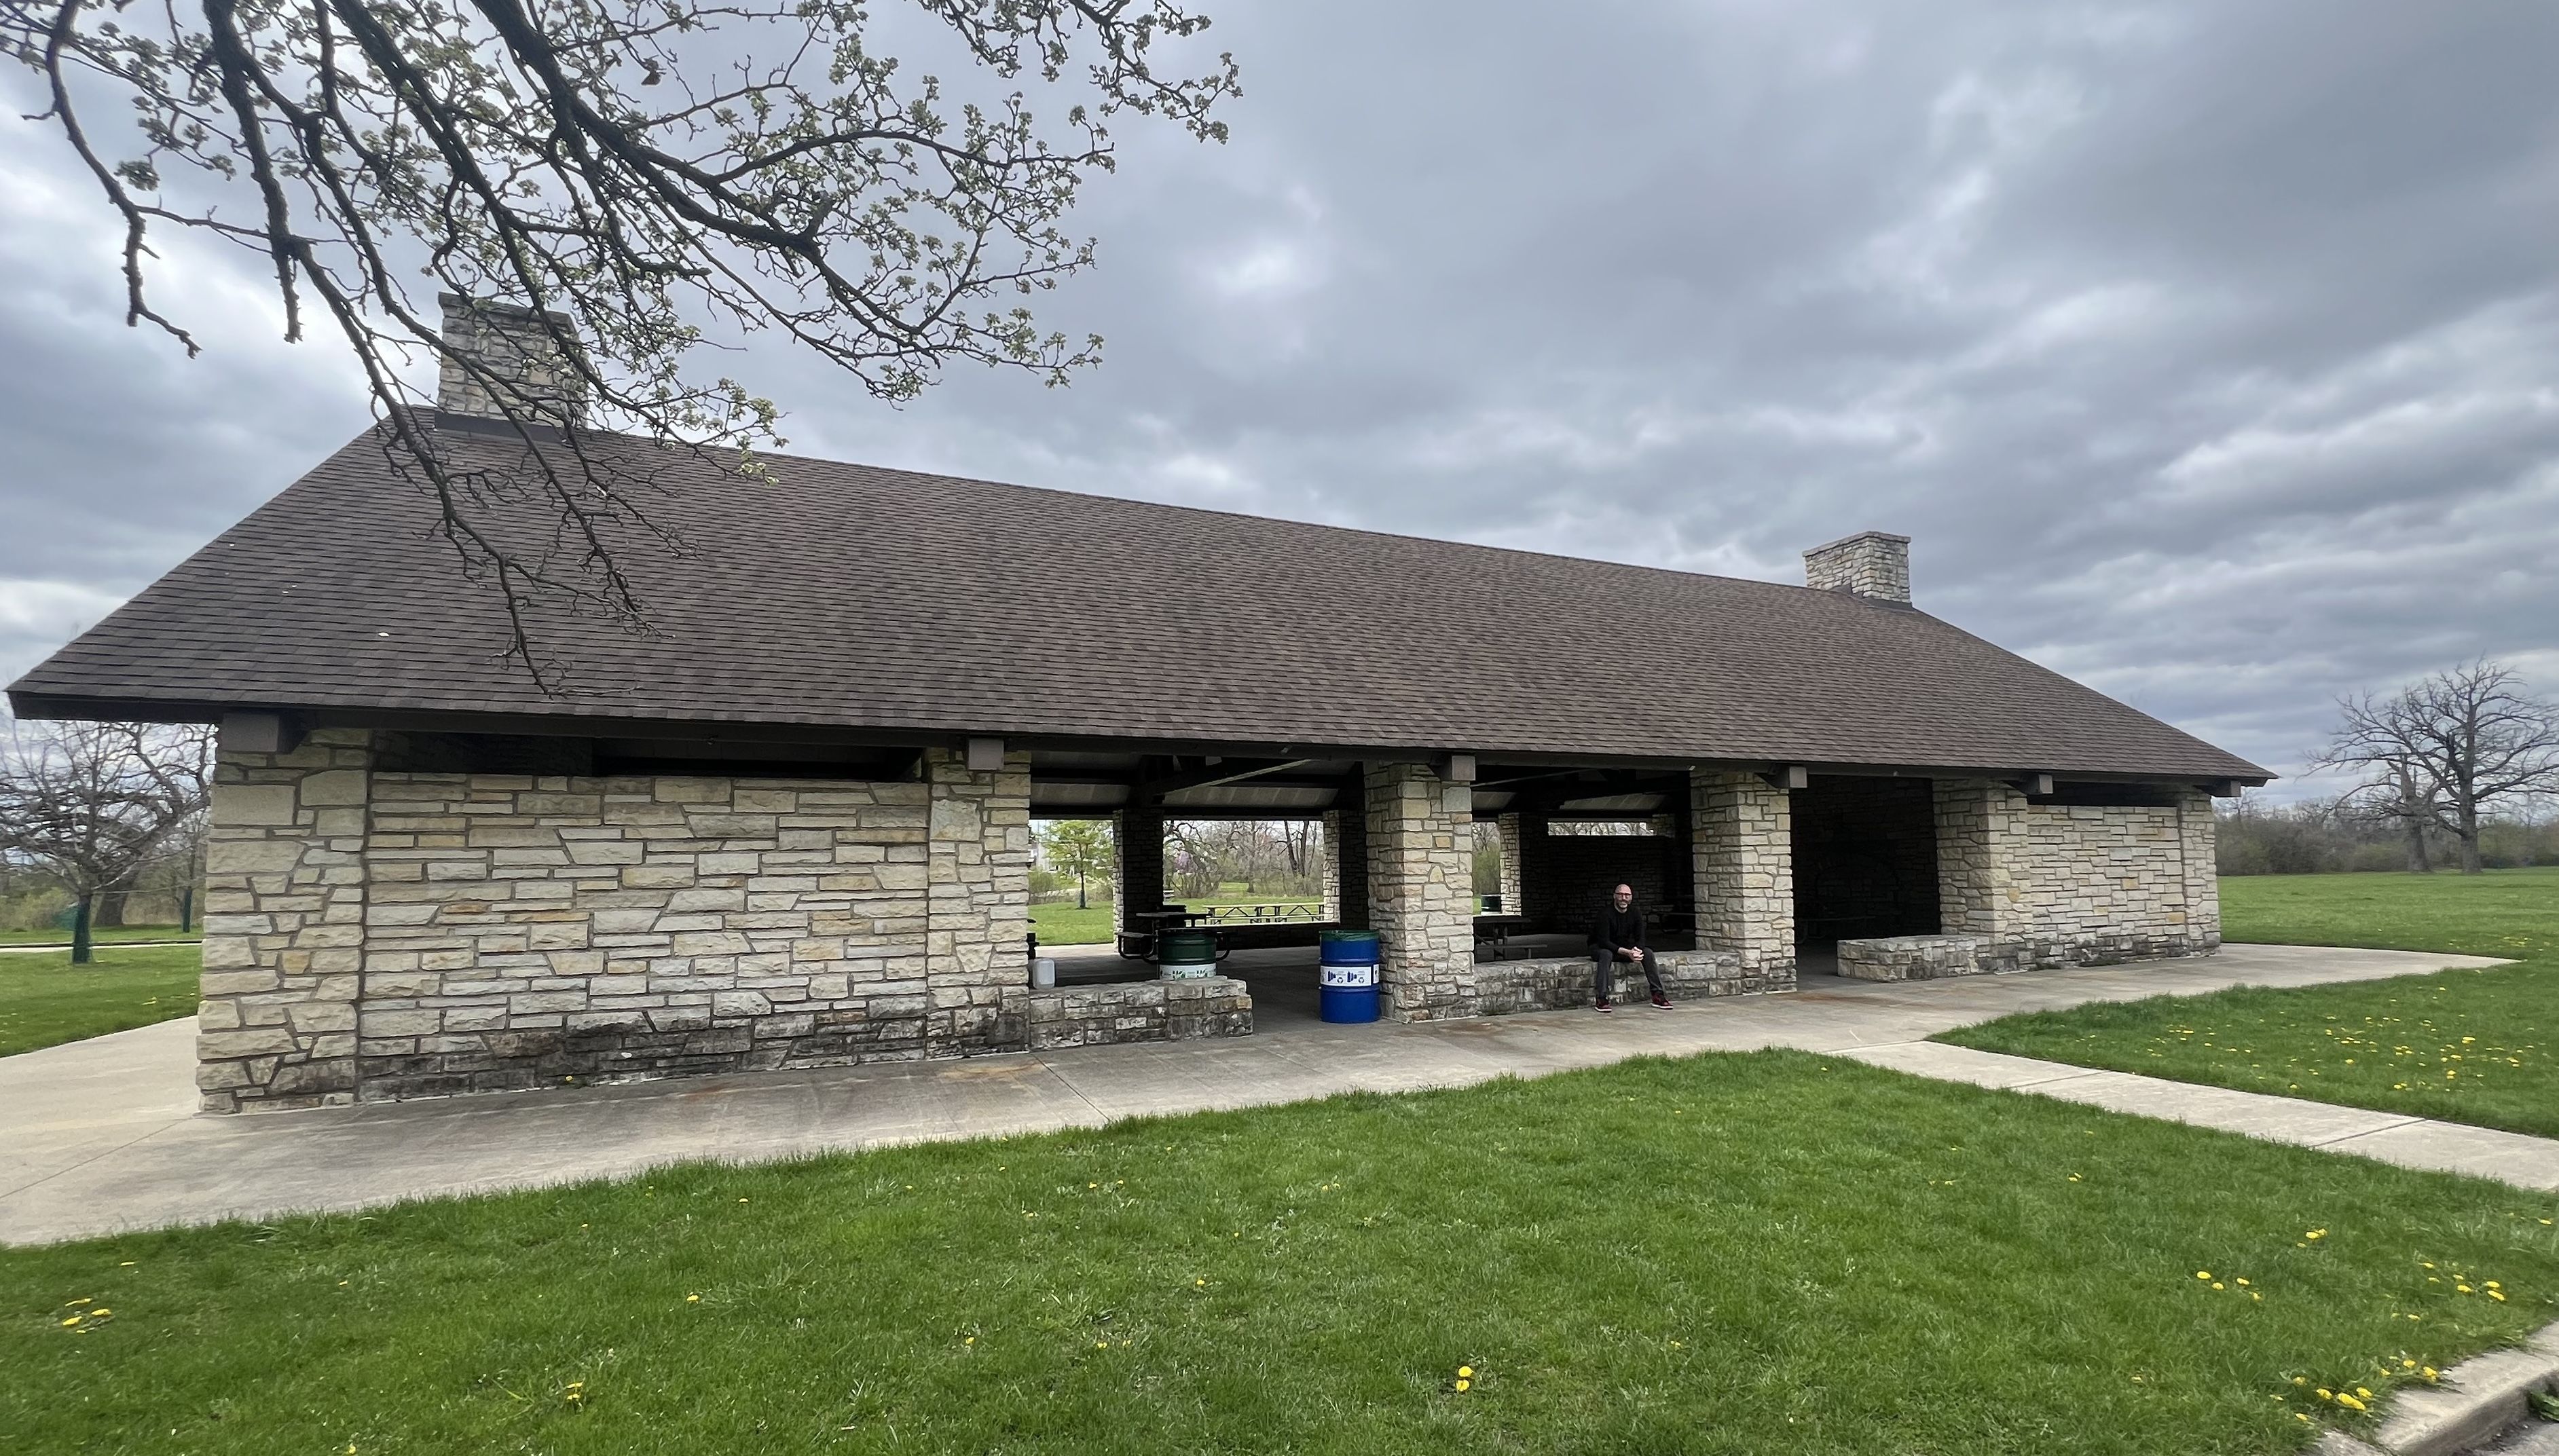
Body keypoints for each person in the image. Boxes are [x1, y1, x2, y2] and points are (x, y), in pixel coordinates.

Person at [1590, 882, 1670, 1012]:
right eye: (1620, 895)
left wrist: (1636, 951)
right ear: (1614, 896)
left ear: (1631, 897)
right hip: (1602, 949)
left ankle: (1658, 995)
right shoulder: (1605, 914)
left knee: (1648, 953)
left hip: (1626, 950)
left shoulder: (1635, 912)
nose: (1623, 898)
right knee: (1606, 954)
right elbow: (1604, 941)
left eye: (1627, 895)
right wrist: (1628, 952)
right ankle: (1601, 998)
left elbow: (1641, 937)